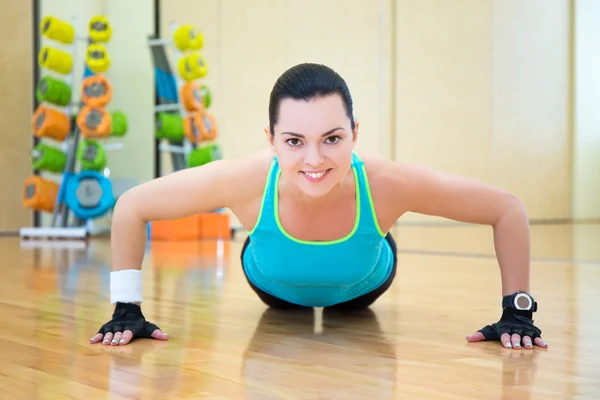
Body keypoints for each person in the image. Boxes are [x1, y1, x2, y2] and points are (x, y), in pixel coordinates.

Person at [90, 63, 547, 350]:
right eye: (294, 141)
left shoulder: (388, 182)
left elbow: (506, 209)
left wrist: (517, 311)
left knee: (365, 254)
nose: (314, 160)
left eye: (332, 139)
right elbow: (131, 206)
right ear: (270, 140)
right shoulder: (243, 179)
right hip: (273, 287)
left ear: (355, 134)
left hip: (363, 286)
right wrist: (125, 309)